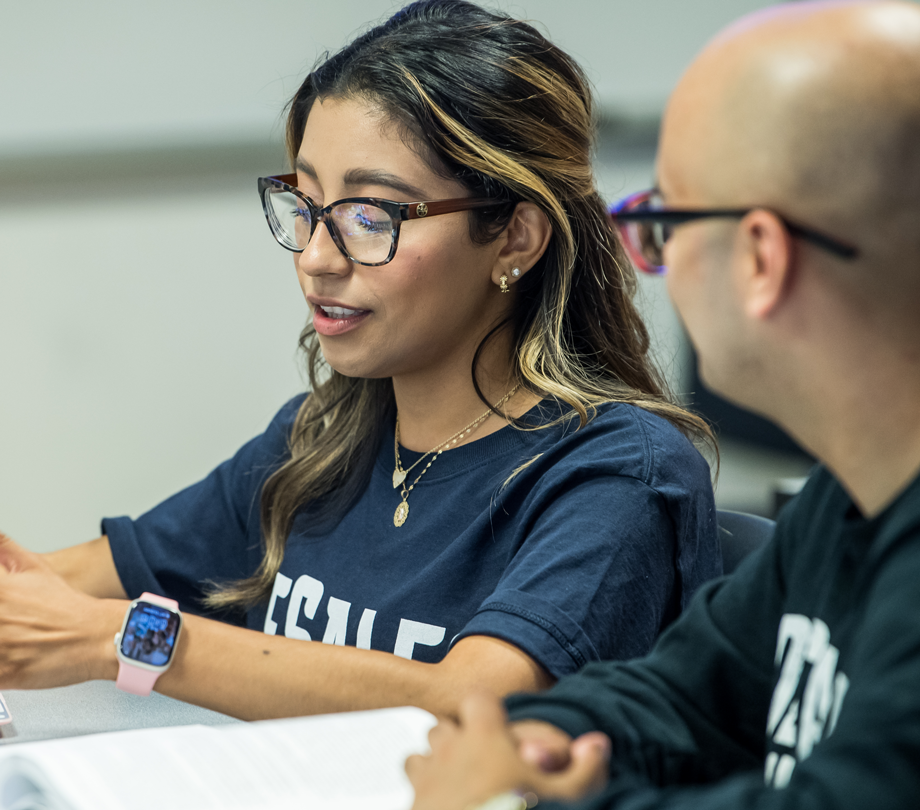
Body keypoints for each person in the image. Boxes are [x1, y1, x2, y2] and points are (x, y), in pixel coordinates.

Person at [0, 0, 719, 720]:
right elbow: (67, 588)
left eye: (370, 216)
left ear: (515, 238)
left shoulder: (617, 474)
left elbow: (475, 703)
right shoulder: (325, 442)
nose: (315, 259)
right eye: (307, 205)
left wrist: (126, 641)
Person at [406, 0, 920, 807]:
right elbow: (680, 694)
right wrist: (537, 743)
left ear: (760, 257)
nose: (659, 264)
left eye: (666, 222)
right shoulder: (849, 496)